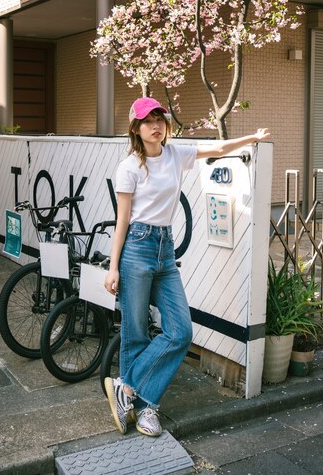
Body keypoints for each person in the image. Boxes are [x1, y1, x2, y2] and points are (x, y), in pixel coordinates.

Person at [104, 96, 270, 437]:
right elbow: (121, 221)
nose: (156, 125)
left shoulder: (176, 154)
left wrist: (252, 138)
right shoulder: (129, 167)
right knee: (135, 332)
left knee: (180, 331)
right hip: (136, 246)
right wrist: (113, 266)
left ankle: (128, 387)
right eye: (148, 120)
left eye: (160, 119)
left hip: (165, 249)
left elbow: (217, 148)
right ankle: (145, 408)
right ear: (136, 128)